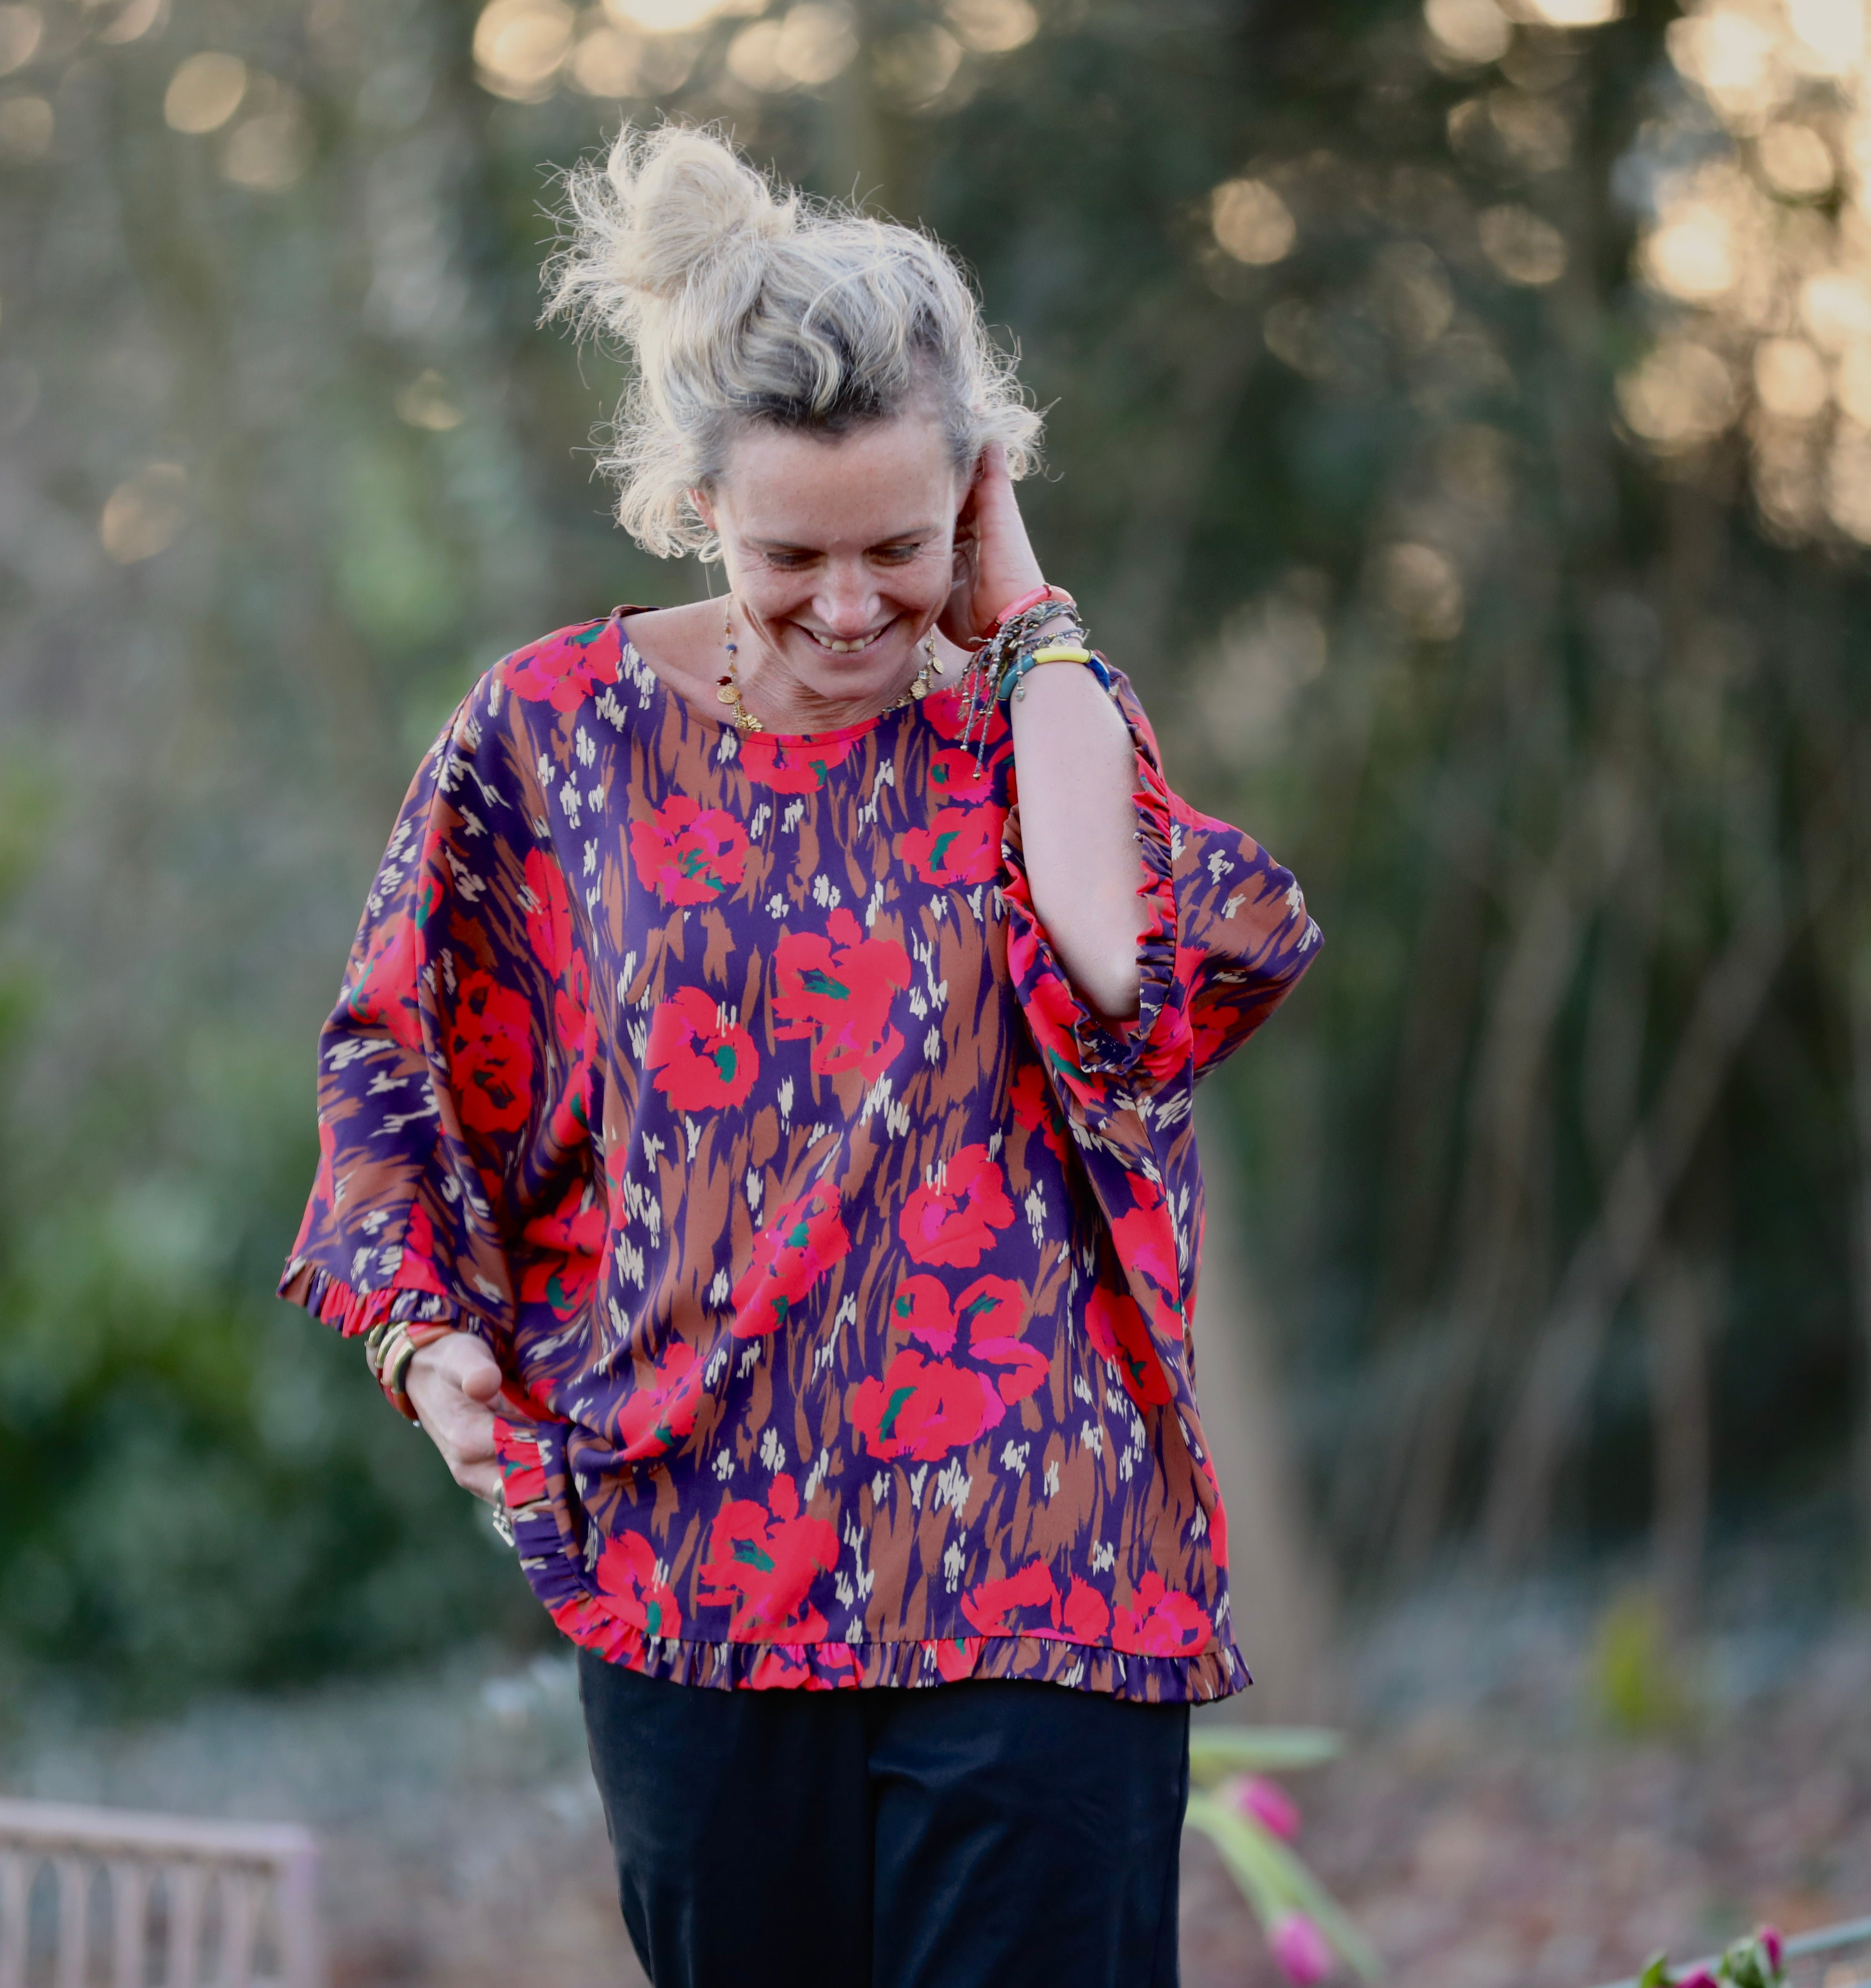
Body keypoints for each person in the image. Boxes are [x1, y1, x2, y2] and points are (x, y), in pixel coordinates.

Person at [279, 122, 1321, 1988]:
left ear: (974, 500)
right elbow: (398, 1053)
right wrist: (424, 1338)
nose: (849, 608)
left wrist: (1029, 620)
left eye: (899, 547)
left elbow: (1138, 959)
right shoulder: (549, 740)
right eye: (791, 553)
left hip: (1041, 1555)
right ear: (698, 504)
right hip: (696, 1571)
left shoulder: (1029, 736)